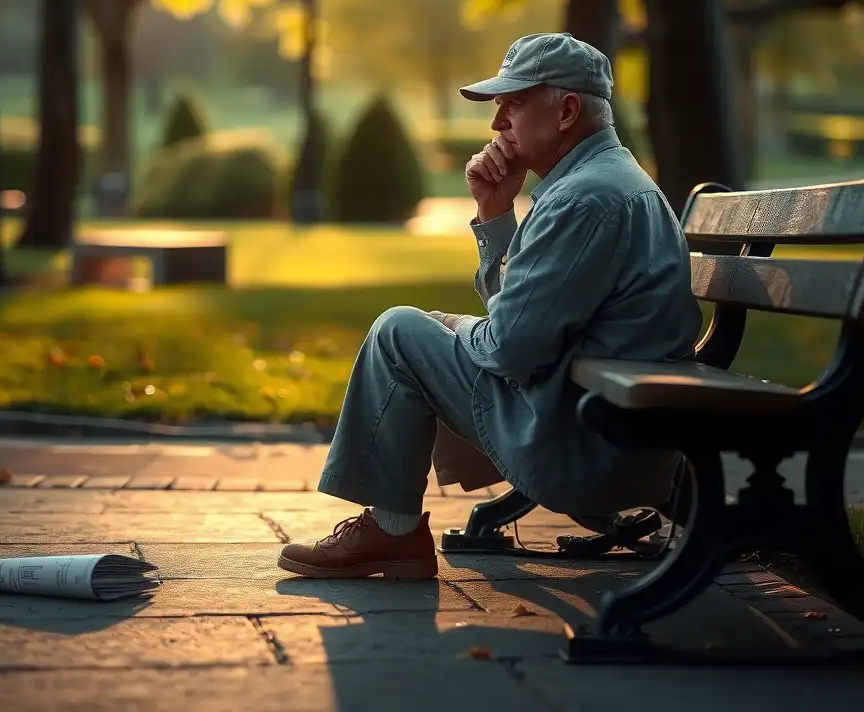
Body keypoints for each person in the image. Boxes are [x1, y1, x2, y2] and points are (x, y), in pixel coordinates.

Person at [277, 32, 702, 580]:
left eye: (513, 103)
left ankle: (393, 533)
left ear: (567, 110)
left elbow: (510, 348)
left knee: (399, 331)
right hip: (615, 432)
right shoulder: (603, 182)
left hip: (581, 449)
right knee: (430, 329)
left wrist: (460, 330)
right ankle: (394, 529)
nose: (498, 122)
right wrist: (495, 212)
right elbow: (528, 323)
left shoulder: (581, 199)